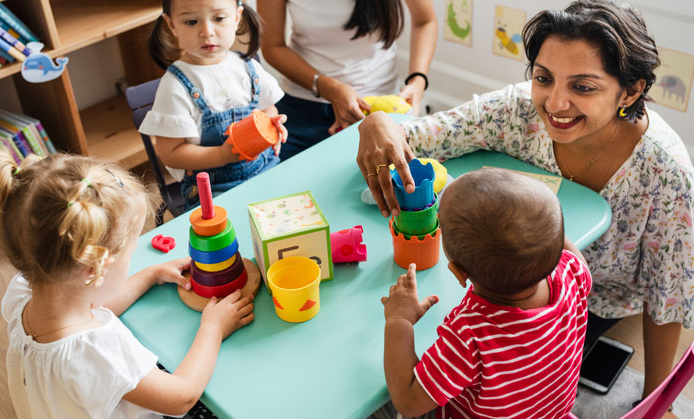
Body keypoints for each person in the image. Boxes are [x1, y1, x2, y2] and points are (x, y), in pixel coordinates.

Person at [358, 0, 693, 412]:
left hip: (592, 303)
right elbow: (425, 135)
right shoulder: (516, 111)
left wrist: (657, 401)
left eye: (582, 87)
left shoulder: (666, 171)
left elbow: (669, 296)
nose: (554, 103)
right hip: (541, 286)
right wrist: (378, 122)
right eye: (543, 78)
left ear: (632, 89)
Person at [0, 151, 255, 418]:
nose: (132, 260)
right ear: (95, 269)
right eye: (130, 254)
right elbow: (181, 397)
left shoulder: (24, 294)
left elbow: (90, 304)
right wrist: (213, 328)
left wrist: (150, 275)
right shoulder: (96, 351)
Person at [382, 167, 592, 418]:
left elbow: (407, 401)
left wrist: (399, 320)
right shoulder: (573, 273)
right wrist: (540, 228)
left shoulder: (469, 335)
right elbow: (564, 249)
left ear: (459, 273)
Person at [141, 0, 288, 208]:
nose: (207, 32)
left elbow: (267, 108)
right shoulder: (175, 86)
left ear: (237, 17)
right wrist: (221, 155)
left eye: (219, 18)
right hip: (214, 189)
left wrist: (271, 124)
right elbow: (170, 154)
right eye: (191, 22)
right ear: (172, 25)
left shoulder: (247, 66)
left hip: (266, 169)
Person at [258, 0, 438, 160]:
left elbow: (425, 21)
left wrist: (418, 81)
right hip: (302, 108)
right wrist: (328, 87)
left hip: (379, 108)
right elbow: (273, 47)